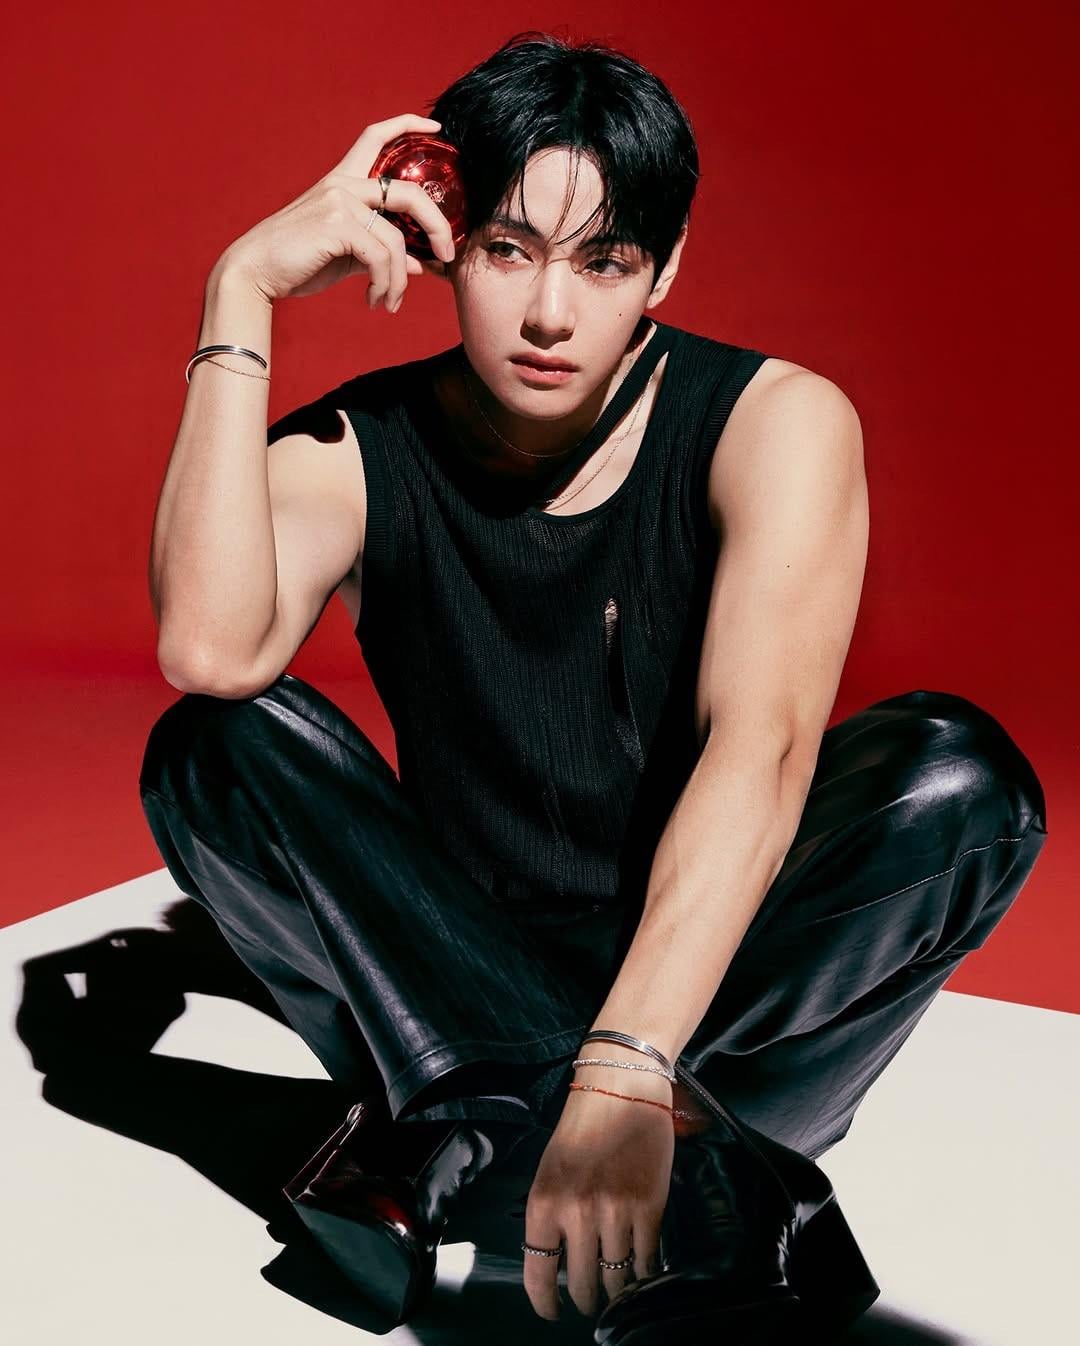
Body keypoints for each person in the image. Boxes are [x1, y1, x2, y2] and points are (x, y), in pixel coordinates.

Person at [139, 29, 1047, 1341]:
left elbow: (762, 750)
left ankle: (472, 1158)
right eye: (509, 251)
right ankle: (703, 1191)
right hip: (448, 988)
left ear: (663, 268)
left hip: (708, 995)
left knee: (958, 774)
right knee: (216, 744)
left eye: (604, 261)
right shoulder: (358, 445)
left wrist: (624, 1070)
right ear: (445, 242)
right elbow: (211, 652)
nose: (549, 315)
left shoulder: (773, 422)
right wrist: (242, 289)